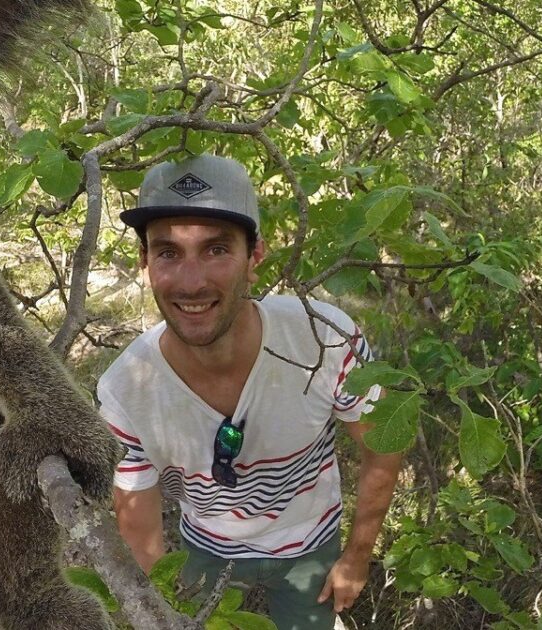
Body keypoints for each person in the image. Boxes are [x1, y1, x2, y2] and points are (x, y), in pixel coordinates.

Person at [97, 154, 403, 629]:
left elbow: (383, 446)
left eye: (216, 250)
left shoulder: (325, 338)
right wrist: (158, 611)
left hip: (310, 542)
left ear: (254, 256)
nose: (192, 282)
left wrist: (358, 556)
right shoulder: (125, 390)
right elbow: (138, 523)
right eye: (168, 252)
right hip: (206, 546)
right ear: (145, 262)